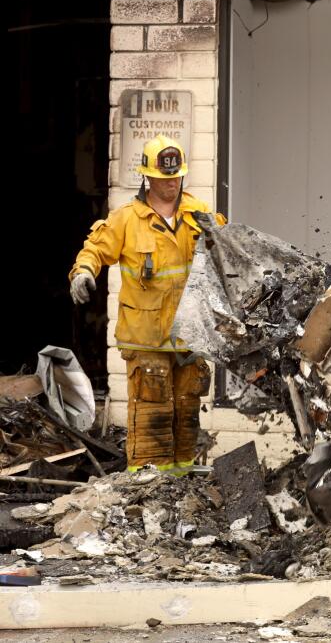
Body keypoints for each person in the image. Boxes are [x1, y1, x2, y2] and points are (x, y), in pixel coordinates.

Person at [69, 135, 225, 471]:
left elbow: (229, 250)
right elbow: (95, 249)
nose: (172, 184)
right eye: (165, 178)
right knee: (152, 416)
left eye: (177, 177)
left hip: (189, 335)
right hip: (146, 337)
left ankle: (181, 492)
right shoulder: (126, 218)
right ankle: (148, 489)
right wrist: (83, 273)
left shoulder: (198, 214)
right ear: (148, 177)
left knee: (186, 414)